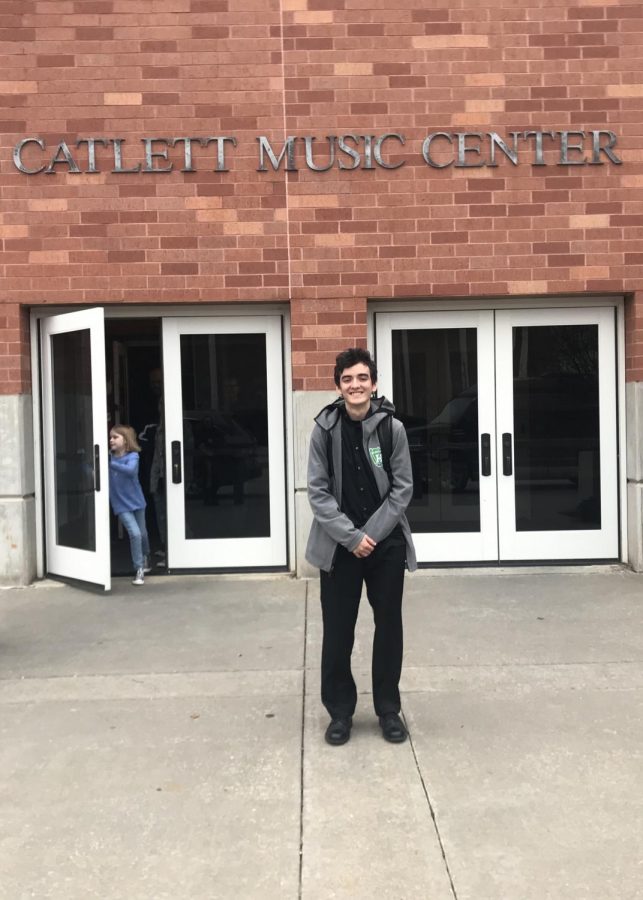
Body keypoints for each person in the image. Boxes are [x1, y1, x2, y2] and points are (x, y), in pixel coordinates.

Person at [306, 347, 417, 746]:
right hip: (339, 549)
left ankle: (388, 709)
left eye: (362, 378)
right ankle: (340, 712)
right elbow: (317, 493)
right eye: (347, 379)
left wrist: (370, 534)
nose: (356, 385)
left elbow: (403, 489)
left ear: (374, 383)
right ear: (338, 386)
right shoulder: (324, 429)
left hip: (384, 547)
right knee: (338, 631)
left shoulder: (392, 429)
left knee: (389, 628)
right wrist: (352, 538)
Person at [109, 425, 151, 586]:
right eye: (111, 437)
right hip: (120, 504)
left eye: (115, 437)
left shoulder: (133, 456)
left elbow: (131, 471)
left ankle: (146, 556)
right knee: (135, 534)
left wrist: (109, 463)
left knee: (143, 534)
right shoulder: (108, 459)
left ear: (125, 441)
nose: (111, 440)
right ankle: (139, 568)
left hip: (137, 501)